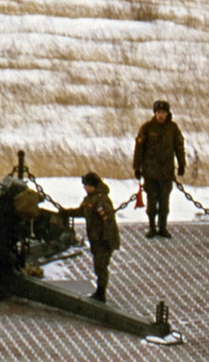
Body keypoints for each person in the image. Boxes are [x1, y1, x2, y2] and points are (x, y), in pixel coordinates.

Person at [131, 101, 187, 240]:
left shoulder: (173, 129)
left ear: (167, 114)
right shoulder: (147, 128)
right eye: (158, 113)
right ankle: (152, 227)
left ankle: (163, 227)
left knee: (164, 203)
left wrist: (181, 165)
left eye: (163, 113)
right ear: (155, 113)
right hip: (150, 173)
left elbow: (179, 148)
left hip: (166, 173)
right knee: (152, 202)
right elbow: (139, 149)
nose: (161, 115)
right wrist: (137, 168)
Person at [75, 172, 122, 301]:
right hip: (96, 240)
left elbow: (108, 221)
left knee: (101, 266)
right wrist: (65, 213)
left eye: (86, 185)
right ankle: (100, 291)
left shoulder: (101, 200)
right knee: (98, 265)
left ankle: (101, 293)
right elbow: (82, 211)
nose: (84, 187)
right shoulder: (90, 198)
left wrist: (106, 239)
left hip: (103, 240)